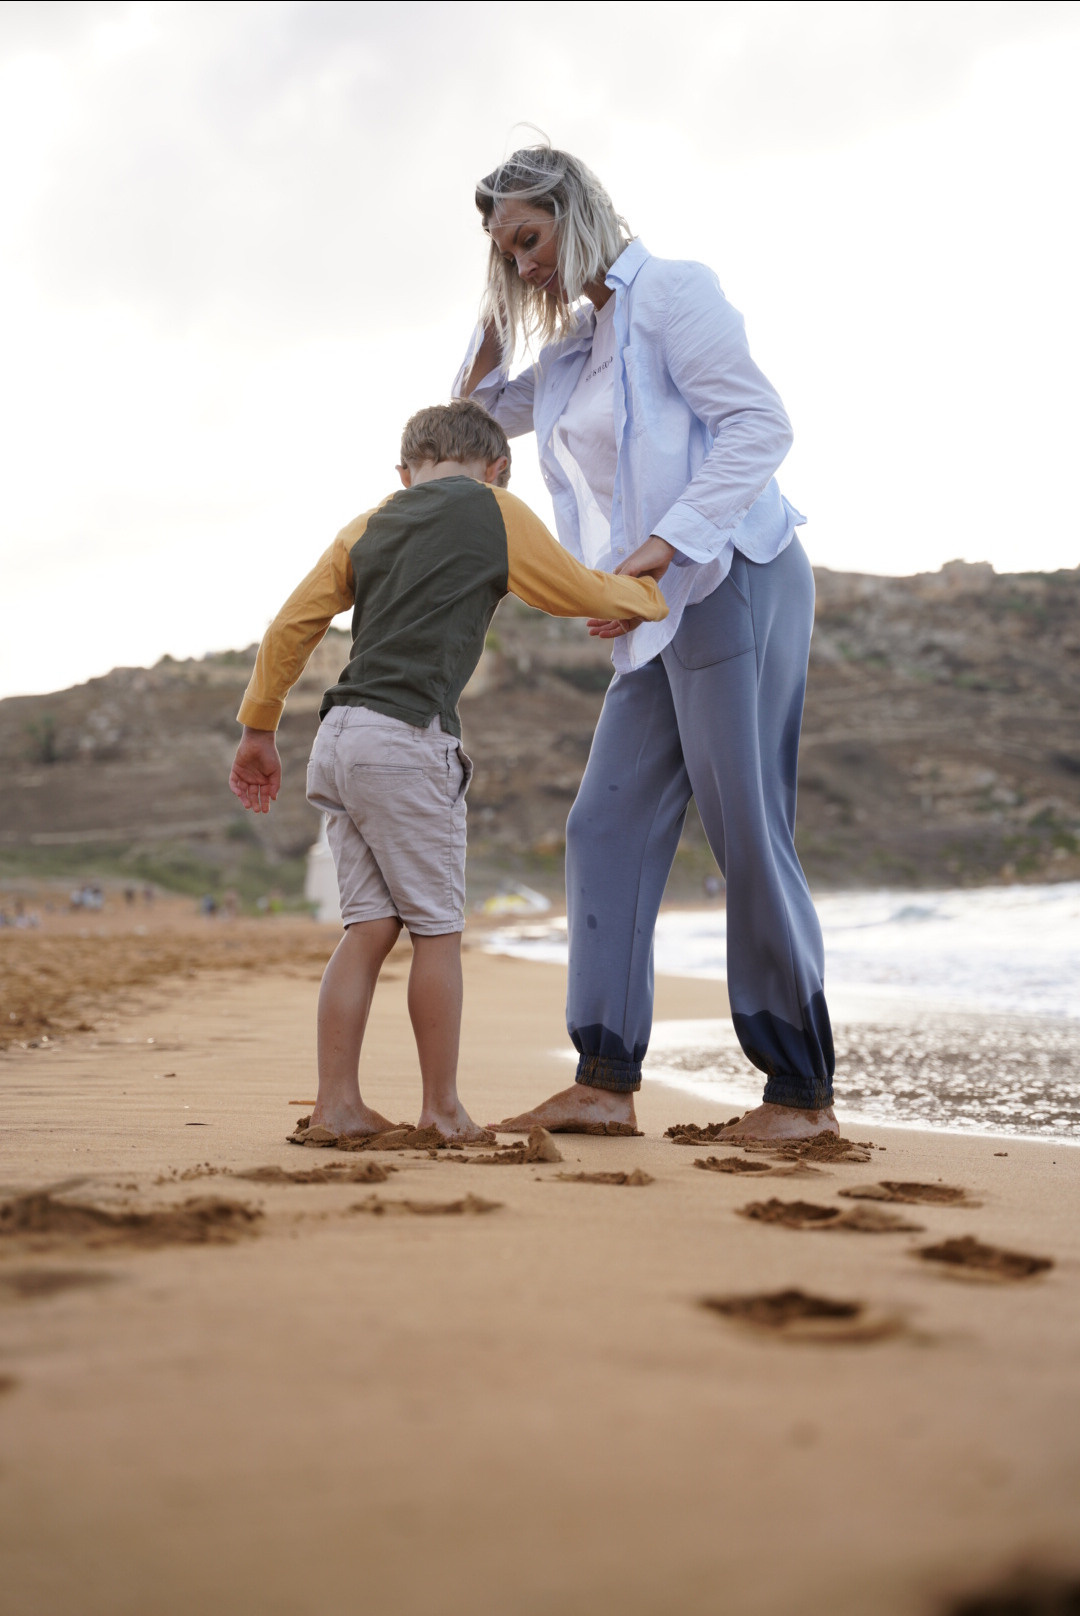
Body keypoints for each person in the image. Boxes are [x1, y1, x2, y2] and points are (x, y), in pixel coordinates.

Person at [457, 145, 838, 1142]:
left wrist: (661, 555)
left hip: (729, 577)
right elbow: (476, 420)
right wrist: (501, 298)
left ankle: (800, 1096)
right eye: (504, 250)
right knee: (606, 822)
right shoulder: (577, 348)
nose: (523, 260)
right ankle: (604, 1078)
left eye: (529, 238)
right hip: (656, 607)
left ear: (576, 210)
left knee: (746, 823)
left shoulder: (674, 292)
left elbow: (760, 425)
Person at [228, 398, 667, 1144]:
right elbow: (574, 589)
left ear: (405, 472)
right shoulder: (495, 509)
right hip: (405, 740)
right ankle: (441, 1111)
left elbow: (291, 625)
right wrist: (648, 597)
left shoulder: (368, 524)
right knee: (436, 931)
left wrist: (258, 728)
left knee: (367, 927)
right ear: (499, 468)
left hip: (338, 736)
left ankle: (335, 1106)